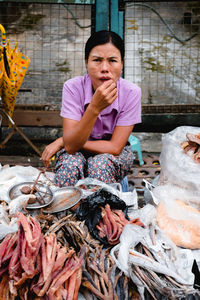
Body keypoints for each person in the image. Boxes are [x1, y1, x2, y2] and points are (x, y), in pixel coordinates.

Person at [42, 30, 141, 187]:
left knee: (100, 164)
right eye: (97, 60)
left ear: (122, 64)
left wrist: (63, 141)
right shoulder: (72, 87)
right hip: (76, 149)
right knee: (70, 164)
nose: (104, 68)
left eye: (113, 60)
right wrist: (94, 107)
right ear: (86, 62)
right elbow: (72, 148)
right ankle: (67, 210)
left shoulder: (131, 92)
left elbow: (115, 147)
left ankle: (102, 210)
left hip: (112, 153)